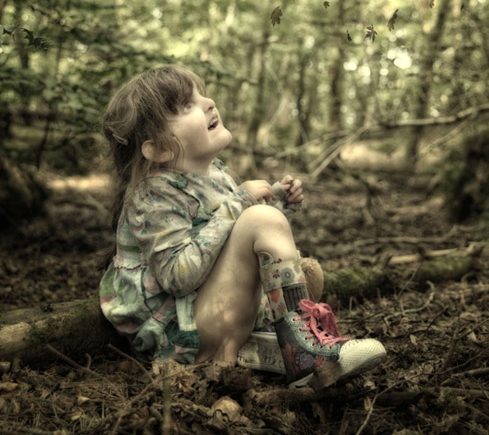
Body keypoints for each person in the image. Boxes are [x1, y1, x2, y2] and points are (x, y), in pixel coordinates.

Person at [99, 65, 385, 388]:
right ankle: (304, 357)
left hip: (209, 309)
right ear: (160, 149)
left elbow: (228, 243)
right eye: (186, 106)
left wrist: (279, 207)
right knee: (260, 222)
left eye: (201, 95)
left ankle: (266, 346)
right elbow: (178, 276)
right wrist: (242, 207)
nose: (208, 103)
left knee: (309, 272)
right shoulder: (153, 194)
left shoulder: (215, 175)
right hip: (186, 333)